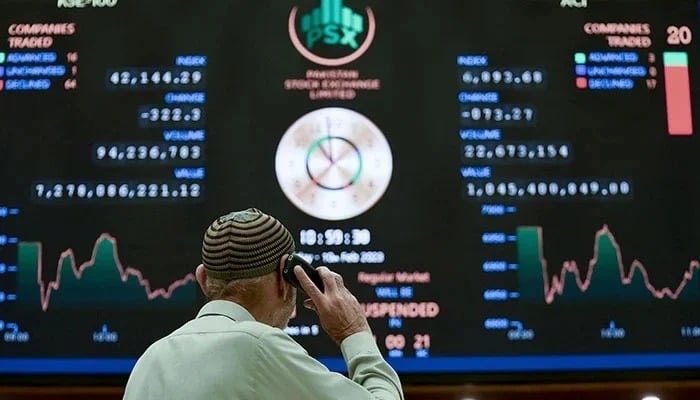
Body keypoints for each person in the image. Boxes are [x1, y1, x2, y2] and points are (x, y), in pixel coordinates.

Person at [123, 208, 404, 400]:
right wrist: (353, 332)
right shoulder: (259, 345)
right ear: (286, 278)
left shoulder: (149, 360)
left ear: (203, 279)